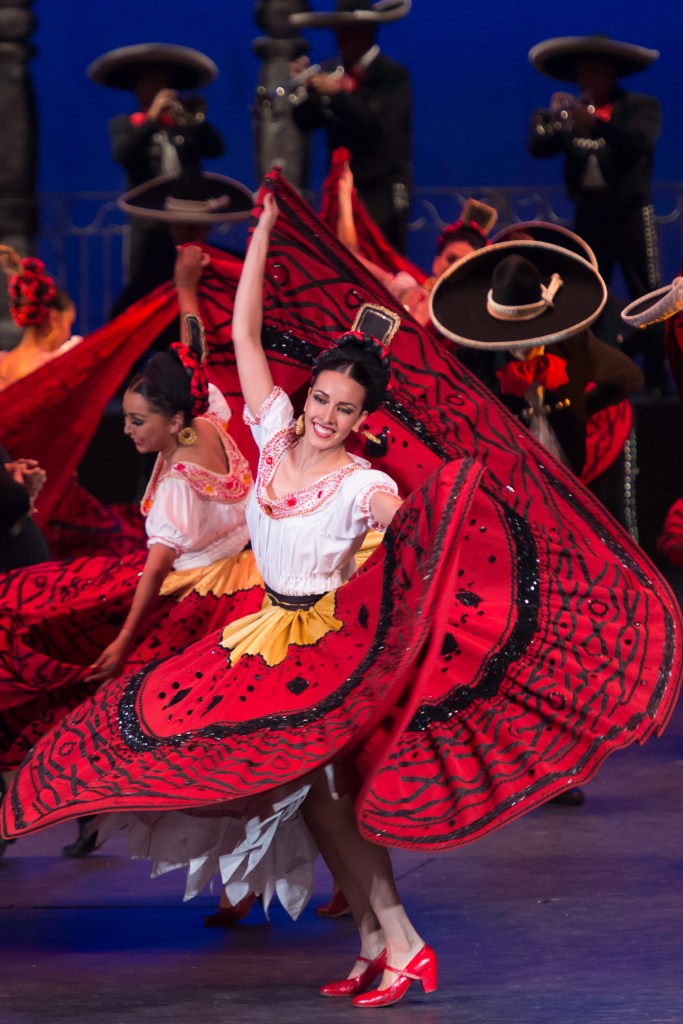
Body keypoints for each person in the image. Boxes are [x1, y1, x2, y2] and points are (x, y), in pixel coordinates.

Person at [2, 175, 681, 1007]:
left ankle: (401, 942)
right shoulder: (271, 433)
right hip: (257, 639)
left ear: (362, 419)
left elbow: (424, 535)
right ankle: (375, 939)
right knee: (314, 807)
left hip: (328, 655)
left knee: (318, 800)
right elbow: (244, 334)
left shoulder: (363, 486)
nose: (324, 415)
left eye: (342, 408)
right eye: (320, 399)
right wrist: (262, 234)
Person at [0, 246, 262, 852]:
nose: (127, 429)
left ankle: (71, 789)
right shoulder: (212, 415)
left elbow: (154, 571)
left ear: (172, 422)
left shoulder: (175, 482)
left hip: (196, 601)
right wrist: (186, 287)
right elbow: (195, 353)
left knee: (108, 684)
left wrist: (122, 640)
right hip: (249, 584)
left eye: (137, 420)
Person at [527, 34, 667, 390]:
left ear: (612, 74)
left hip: (632, 215)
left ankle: (654, 376)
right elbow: (539, 148)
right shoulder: (570, 116)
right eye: (582, 73)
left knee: (647, 293)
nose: (588, 81)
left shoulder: (640, 107)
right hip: (590, 216)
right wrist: (559, 120)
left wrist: (598, 123)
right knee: (589, 293)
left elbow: (639, 142)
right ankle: (593, 375)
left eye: (596, 72)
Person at [86, 43, 225, 313]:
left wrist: (195, 121)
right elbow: (123, 154)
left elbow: (217, 148)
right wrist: (152, 117)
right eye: (151, 83)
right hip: (147, 223)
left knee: (191, 282)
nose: (159, 90)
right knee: (144, 289)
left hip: (185, 217)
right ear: (138, 88)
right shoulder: (125, 123)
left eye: (163, 84)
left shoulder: (181, 124)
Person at [290, 0, 412, 252]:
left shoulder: (392, 75)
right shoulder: (335, 72)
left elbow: (378, 124)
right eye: (337, 31)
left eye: (346, 30)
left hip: (381, 190)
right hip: (343, 188)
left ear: (366, 31)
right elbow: (305, 122)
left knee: (381, 258)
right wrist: (305, 92)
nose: (339, 38)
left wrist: (337, 96)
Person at [0, 247, 78, 388]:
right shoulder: (52, 369)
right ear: (54, 319)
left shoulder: (3, 364)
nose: (68, 334)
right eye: (69, 323)